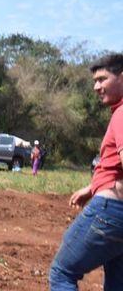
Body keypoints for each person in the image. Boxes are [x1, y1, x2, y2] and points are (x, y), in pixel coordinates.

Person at [50, 53, 123, 290]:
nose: (96, 87)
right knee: (116, 281)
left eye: (102, 79)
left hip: (111, 210)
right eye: (95, 81)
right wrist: (92, 187)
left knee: (62, 273)